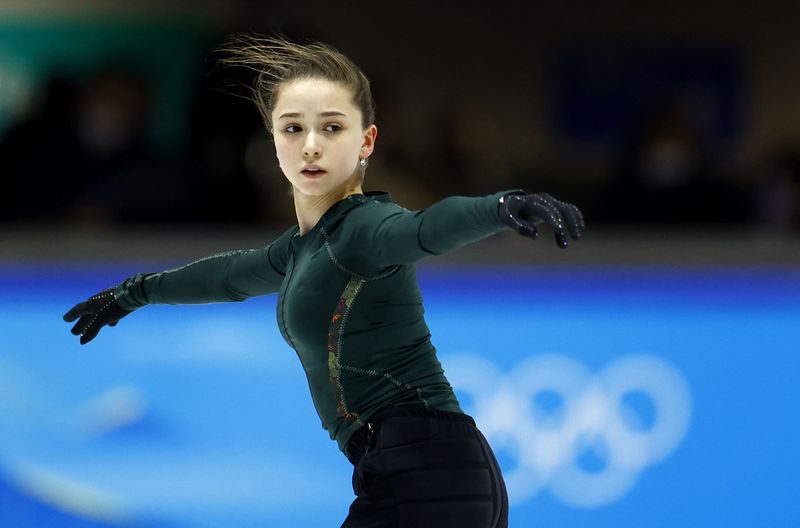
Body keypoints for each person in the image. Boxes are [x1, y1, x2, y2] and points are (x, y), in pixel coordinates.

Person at [62, 34, 585, 528]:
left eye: (332, 127)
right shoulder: (300, 250)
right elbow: (227, 276)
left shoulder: (365, 229)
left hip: (424, 469)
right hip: (417, 465)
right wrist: (135, 292)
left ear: (367, 140)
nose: (311, 145)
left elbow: (424, 229)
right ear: (273, 142)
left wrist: (499, 206)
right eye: (293, 128)